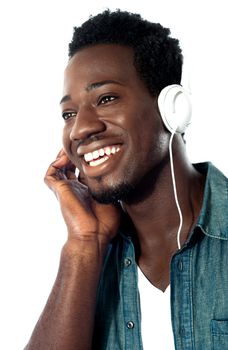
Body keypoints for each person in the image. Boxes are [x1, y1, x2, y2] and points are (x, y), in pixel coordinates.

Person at [25, 10, 228, 350]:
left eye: (106, 98)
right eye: (69, 114)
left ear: (172, 108)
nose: (80, 128)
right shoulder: (90, 261)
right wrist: (84, 242)